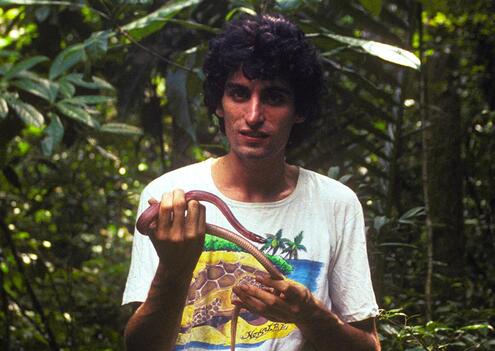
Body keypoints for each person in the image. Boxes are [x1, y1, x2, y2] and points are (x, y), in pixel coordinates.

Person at [123, 14, 380, 351]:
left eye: (274, 98)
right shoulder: (165, 195)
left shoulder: (336, 203)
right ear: (219, 103)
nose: (254, 115)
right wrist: (174, 268)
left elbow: (368, 347)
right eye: (239, 94)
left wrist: (308, 314)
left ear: (299, 109)